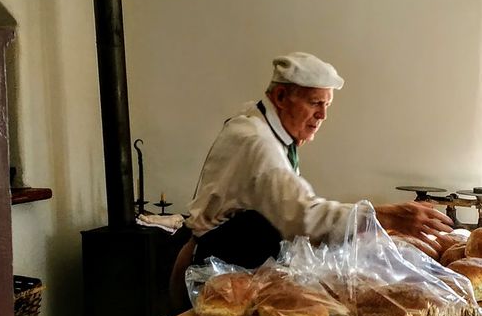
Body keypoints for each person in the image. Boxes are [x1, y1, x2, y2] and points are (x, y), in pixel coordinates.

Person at [185, 51, 453, 268]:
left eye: (327, 105)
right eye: (315, 103)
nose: (322, 115)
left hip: (233, 264)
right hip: (217, 271)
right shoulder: (257, 142)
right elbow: (304, 218)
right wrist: (384, 216)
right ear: (280, 97)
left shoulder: (262, 124)